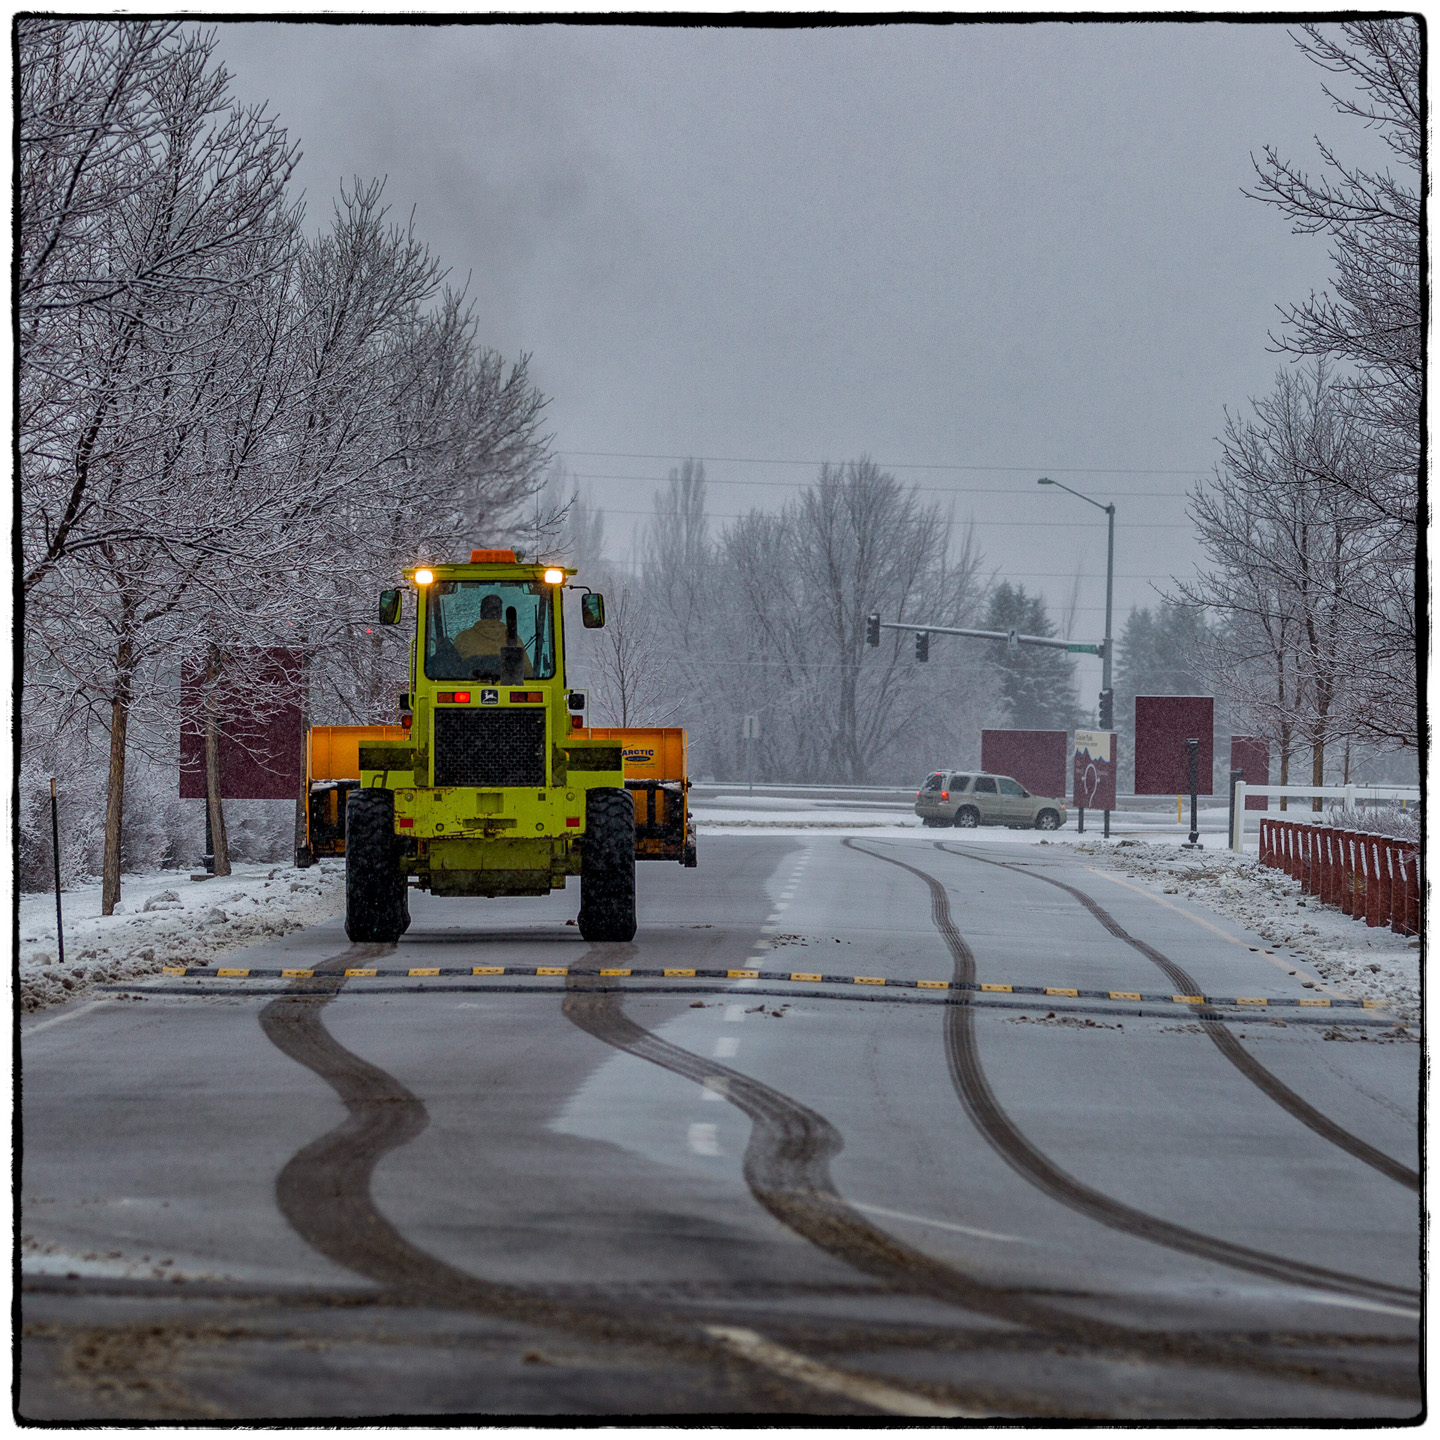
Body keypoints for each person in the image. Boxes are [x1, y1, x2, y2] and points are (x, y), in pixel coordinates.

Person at [453, 594, 532, 677]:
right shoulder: (513, 639)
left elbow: (453, 669)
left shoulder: (463, 638)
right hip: (506, 687)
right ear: (500, 615)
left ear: (481, 614)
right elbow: (527, 671)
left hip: (468, 687)